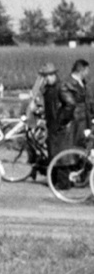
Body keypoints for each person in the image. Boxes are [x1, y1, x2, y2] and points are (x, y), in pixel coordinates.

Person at [51, 59, 91, 190]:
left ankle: (79, 179)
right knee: (68, 152)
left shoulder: (81, 83)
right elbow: (70, 105)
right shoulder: (67, 84)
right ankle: (64, 182)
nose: (88, 73)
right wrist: (63, 121)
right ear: (81, 70)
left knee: (81, 151)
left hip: (81, 122)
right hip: (72, 123)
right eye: (87, 70)